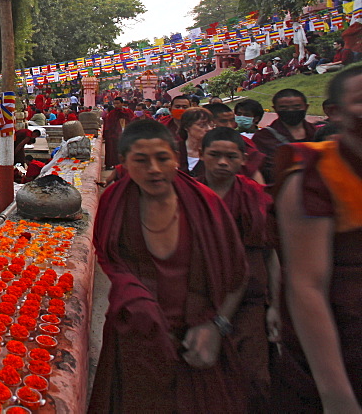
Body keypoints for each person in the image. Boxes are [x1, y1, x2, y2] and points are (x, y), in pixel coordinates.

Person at [90, 119, 248, 413]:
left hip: (196, 338)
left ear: (176, 157)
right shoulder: (115, 201)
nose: (153, 169)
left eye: (162, 158)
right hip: (137, 339)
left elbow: (236, 272)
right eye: (141, 160)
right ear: (123, 162)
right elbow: (109, 257)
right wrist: (136, 298)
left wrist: (217, 325)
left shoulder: (206, 204)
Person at [272, 66, 362, 411]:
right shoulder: (313, 173)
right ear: (335, 112)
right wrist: (336, 394)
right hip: (345, 345)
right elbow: (307, 285)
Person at [198, 127, 279, 410]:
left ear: (243, 159)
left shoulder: (255, 195)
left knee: (253, 377)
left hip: (250, 300)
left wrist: (275, 305)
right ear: (201, 155)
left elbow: (270, 254)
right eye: (215, 155)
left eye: (231, 157)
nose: (222, 162)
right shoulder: (187, 195)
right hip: (199, 298)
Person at [252, 88, 316, 183]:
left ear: (306, 107)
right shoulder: (263, 137)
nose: (291, 111)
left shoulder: (317, 133)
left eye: (296, 107)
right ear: (275, 109)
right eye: (284, 108)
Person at [204, 103, 266, 183]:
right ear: (209, 123)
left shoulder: (243, 143)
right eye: (223, 121)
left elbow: (257, 181)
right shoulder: (192, 142)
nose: (230, 126)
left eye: (232, 120)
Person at [177, 107, 213, 176]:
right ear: (186, 127)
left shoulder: (215, 149)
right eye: (202, 125)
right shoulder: (175, 150)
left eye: (211, 125)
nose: (209, 129)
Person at [102, 97, 134, 169]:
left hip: (126, 133)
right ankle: (114, 165)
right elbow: (108, 125)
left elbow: (132, 120)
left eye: (118, 103)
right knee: (113, 150)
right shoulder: (112, 113)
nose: (116, 105)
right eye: (115, 104)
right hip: (115, 135)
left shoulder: (128, 112)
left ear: (122, 103)